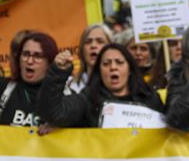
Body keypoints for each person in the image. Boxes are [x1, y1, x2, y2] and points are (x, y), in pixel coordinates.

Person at [37, 43, 166, 127]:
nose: (113, 67)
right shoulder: (88, 100)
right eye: (106, 63)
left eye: (119, 62)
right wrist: (58, 72)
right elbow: (53, 113)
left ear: (130, 70)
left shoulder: (150, 99)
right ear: (99, 71)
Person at [69, 24, 114, 95]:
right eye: (88, 42)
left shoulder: (121, 86)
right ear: (82, 50)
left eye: (100, 41)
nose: (93, 45)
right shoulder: (69, 87)